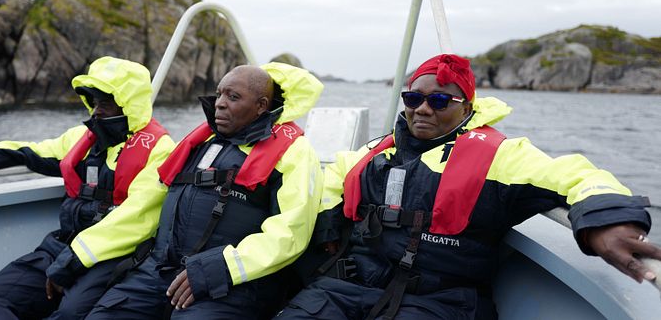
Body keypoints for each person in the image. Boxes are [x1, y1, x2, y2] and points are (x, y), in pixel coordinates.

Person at [276, 54, 661, 320]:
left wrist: (607, 222)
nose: (423, 109)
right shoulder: (377, 151)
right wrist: (327, 226)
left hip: (438, 302)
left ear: (466, 108)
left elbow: (579, 175)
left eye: (440, 100)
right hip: (350, 286)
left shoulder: (502, 156)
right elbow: (329, 179)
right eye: (414, 98)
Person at [0, 56, 176, 320]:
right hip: (62, 248)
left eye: (105, 102)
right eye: (93, 101)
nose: (96, 110)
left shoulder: (160, 151)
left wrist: (69, 263)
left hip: (114, 257)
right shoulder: (82, 140)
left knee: (69, 315)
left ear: (129, 103)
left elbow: (137, 218)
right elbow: (24, 152)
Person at [85, 62, 324, 319]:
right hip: (159, 272)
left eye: (233, 97)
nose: (220, 103)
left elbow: (290, 233)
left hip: (230, 282)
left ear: (261, 106)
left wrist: (218, 268)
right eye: (219, 93)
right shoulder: (198, 143)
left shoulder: (294, 152)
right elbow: (145, 207)